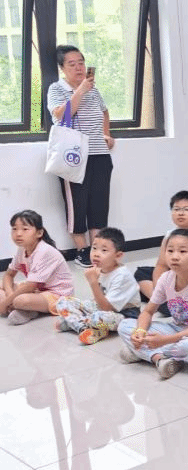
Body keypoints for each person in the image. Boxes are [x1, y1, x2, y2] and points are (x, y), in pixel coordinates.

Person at [117, 229, 188, 379]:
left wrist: (165, 340)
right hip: (178, 329)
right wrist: (140, 332)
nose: (175, 257)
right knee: (125, 325)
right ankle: (158, 358)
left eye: (182, 251)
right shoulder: (165, 278)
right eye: (170, 251)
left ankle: (143, 352)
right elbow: (148, 311)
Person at [47, 45, 115, 268]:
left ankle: (97, 250)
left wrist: (106, 134)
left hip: (99, 154)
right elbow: (62, 116)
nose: (78, 67)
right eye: (72, 64)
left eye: (81, 62)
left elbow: (104, 111)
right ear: (62, 68)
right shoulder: (56, 89)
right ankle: (82, 250)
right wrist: (80, 91)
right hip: (73, 156)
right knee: (77, 205)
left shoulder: (94, 90)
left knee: (99, 204)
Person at [54, 227, 141, 344]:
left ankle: (78, 323)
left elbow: (106, 308)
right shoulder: (100, 269)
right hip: (102, 307)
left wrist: (93, 282)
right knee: (63, 302)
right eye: (94, 248)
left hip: (125, 315)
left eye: (104, 250)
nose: (96, 254)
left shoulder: (122, 276)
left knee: (97, 317)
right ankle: (84, 327)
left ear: (118, 255)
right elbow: (98, 301)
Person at [0, 210, 74, 325]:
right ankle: (25, 309)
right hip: (37, 291)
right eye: (14, 229)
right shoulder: (22, 249)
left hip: (57, 295)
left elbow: (30, 286)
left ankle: (27, 309)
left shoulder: (44, 251)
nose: (18, 234)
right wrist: (9, 297)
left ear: (39, 233)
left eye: (25, 229)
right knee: (3, 285)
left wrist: (6, 302)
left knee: (20, 300)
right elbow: (9, 275)